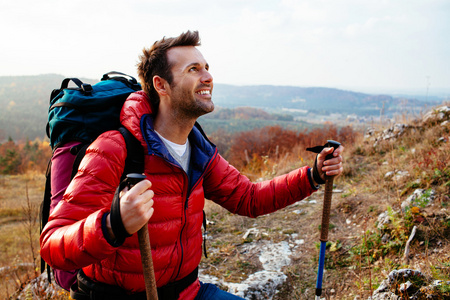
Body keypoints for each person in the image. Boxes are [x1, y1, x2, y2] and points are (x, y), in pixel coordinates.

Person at [40, 30, 344, 300]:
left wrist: (313, 174)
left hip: (187, 292)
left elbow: (249, 198)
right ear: (161, 85)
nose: (207, 77)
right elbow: (53, 245)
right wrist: (113, 223)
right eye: (193, 69)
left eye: (207, 68)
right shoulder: (114, 148)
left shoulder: (198, 150)